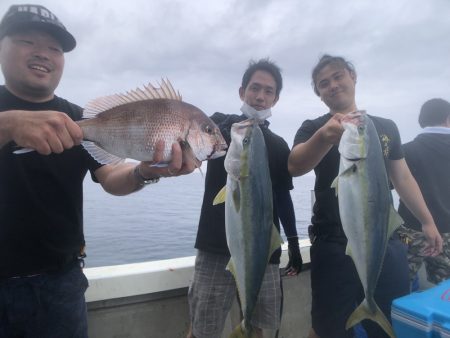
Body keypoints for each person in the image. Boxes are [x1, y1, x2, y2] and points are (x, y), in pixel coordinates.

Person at [0, 4, 197, 338]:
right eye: (27, 41)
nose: (43, 54)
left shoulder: (80, 119)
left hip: (59, 283)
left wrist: (147, 172)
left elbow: (112, 177)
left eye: (54, 48)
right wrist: (8, 124)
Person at [288, 54, 443, 338]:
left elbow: (403, 177)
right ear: (319, 94)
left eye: (338, 76)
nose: (333, 85)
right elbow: (295, 165)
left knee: (387, 325)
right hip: (332, 243)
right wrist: (324, 136)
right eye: (324, 83)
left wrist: (427, 221)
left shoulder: (385, 127)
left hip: (385, 240)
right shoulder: (313, 127)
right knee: (329, 328)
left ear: (353, 77)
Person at [187, 59, 303, 338]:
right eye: (255, 88)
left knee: (257, 328)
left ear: (276, 98)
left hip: (263, 250)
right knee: (202, 329)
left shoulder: (277, 145)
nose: (260, 97)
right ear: (242, 92)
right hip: (215, 248)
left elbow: (283, 199)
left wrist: (295, 243)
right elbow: (191, 142)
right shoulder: (221, 129)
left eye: (268, 91)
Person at [397, 98, 450, 286]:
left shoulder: (405, 151)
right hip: (447, 233)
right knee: (445, 291)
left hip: (408, 232)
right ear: (447, 118)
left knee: (402, 284)